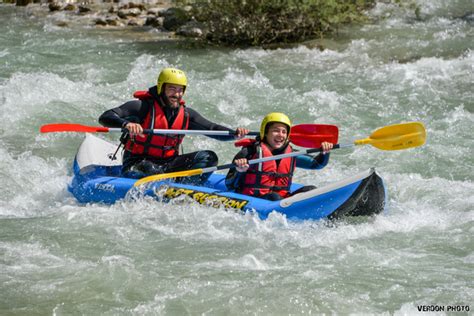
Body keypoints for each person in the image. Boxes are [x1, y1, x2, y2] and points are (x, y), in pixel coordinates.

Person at [99, 67, 249, 184]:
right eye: (172, 89)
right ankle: (163, 184)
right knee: (148, 168)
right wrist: (126, 124)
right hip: (138, 163)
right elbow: (106, 116)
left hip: (168, 164)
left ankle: (181, 189)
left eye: (180, 90)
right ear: (161, 88)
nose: (176, 94)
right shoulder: (141, 107)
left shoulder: (186, 114)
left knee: (209, 157)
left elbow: (212, 128)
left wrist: (234, 134)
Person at [225, 112, 333, 201]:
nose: (280, 135)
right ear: (265, 133)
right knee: (274, 197)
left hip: (281, 199)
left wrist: (325, 152)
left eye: (284, 132)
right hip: (254, 198)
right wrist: (240, 171)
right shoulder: (249, 152)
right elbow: (229, 184)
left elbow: (316, 164)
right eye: (275, 130)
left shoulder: (291, 154)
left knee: (311, 190)